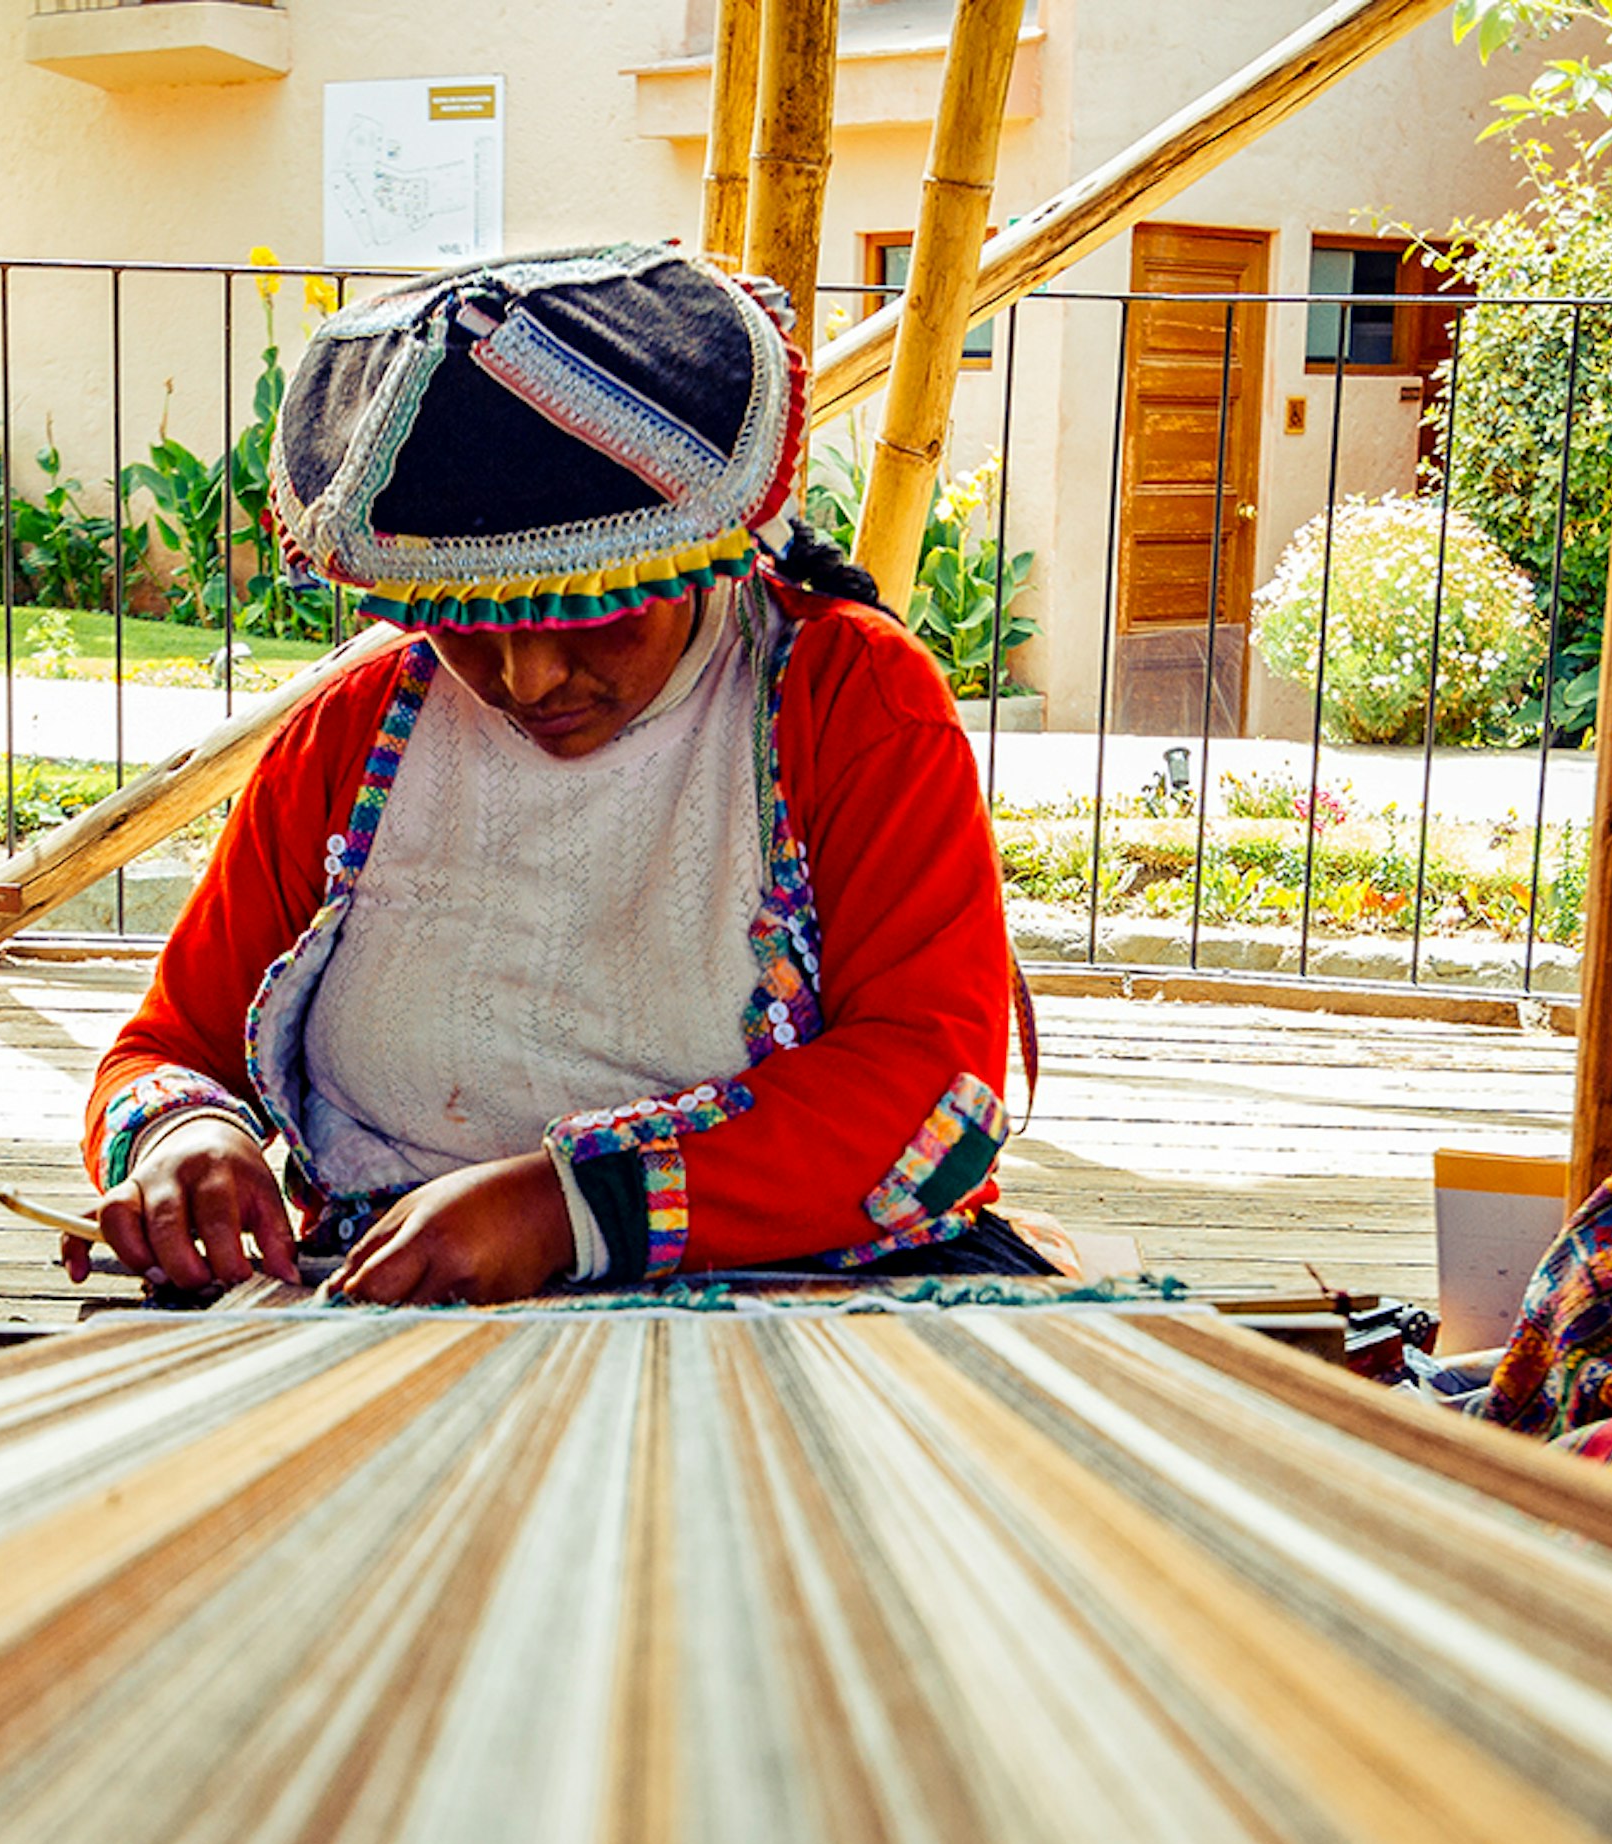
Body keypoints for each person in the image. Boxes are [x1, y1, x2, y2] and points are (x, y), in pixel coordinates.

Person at [67, 243, 1040, 1307]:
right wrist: (187, 1140)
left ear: (695, 556)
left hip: (783, 1297)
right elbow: (170, 1044)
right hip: (376, 1301)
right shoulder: (354, 735)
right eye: (462, 623)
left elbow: (928, 1095)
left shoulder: (849, 701)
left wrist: (559, 1208)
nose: (526, 677)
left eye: (586, 610)